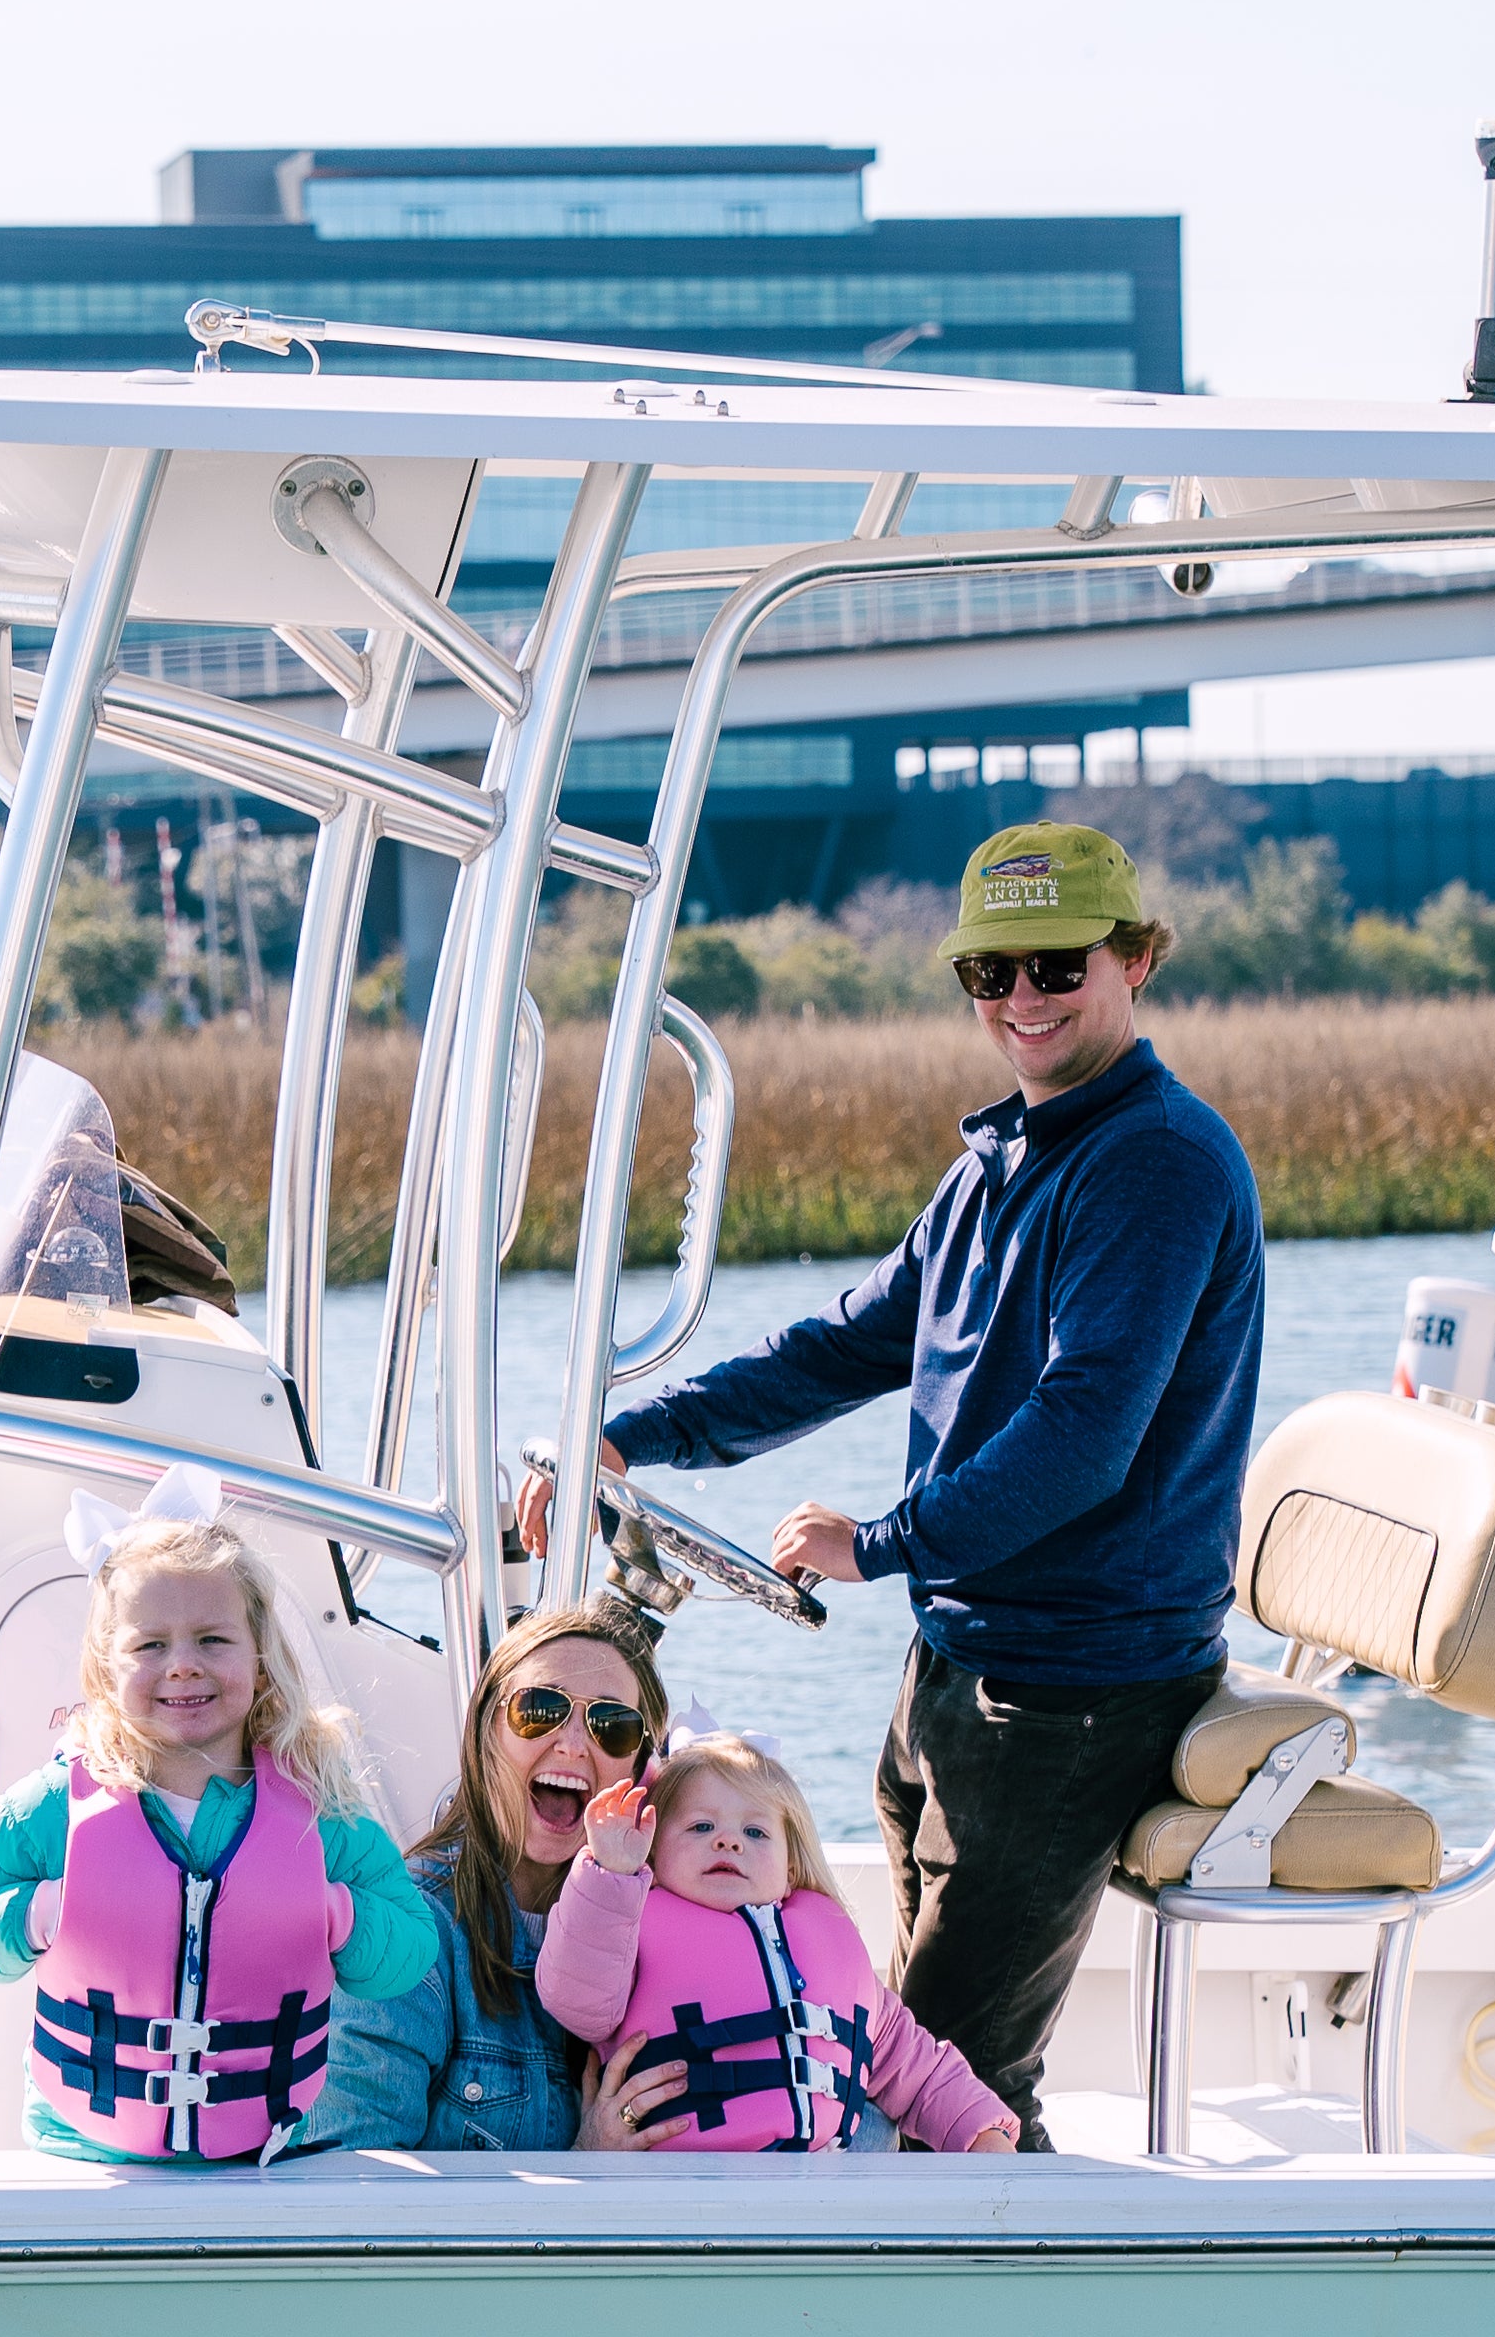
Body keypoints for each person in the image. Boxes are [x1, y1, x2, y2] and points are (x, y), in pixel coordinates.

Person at [530, 819, 1261, 2144]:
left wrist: (882, 1541)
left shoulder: (1154, 1162)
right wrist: (638, 1437)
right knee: (898, 2047)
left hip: (1075, 1696)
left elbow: (1084, 1431)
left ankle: (1017, 2324)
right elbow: (856, 1341)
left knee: (953, 2088)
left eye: (1055, 965)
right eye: (991, 974)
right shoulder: (1005, 1156)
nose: (1022, 1001)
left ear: (1136, 959)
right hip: (959, 1674)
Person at [0, 1496, 435, 2163]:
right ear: (107, 1668)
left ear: (261, 1659)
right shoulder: (54, 1806)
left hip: (260, 2160)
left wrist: (337, 1915)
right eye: (150, 1645)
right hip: (81, 2157)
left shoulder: (319, 1812)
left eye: (212, 1640)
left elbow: (411, 1947)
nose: (182, 1664)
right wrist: (39, 1914)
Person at [305, 1591, 674, 2152]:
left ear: (640, 1764)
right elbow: (355, 2194)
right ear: (485, 1731)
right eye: (539, 1710)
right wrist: (589, 2167)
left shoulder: (677, 1919)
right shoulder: (408, 1933)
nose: (573, 1744)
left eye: (613, 1725)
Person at [542, 1732, 1020, 2154]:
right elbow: (576, 2000)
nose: (729, 1842)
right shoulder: (625, 1923)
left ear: (790, 1866)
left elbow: (915, 2065)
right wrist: (609, 1874)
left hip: (821, 2181)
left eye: (755, 1832)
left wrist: (982, 2133)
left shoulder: (828, 1940)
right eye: (700, 1827)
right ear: (653, 1849)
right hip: (683, 2185)